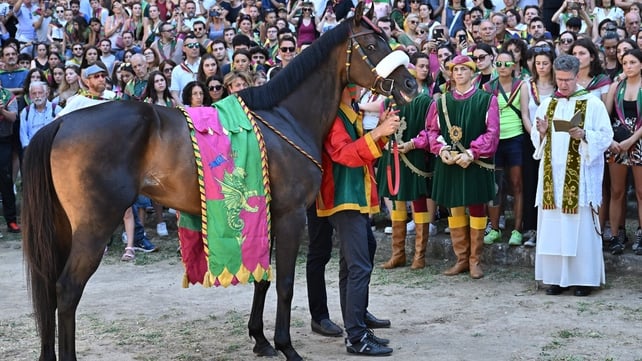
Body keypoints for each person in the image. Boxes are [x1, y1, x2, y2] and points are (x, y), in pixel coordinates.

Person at [316, 85, 400, 356]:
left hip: (354, 196)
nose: (360, 87)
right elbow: (343, 154)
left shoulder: (349, 112)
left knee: (356, 262)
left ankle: (358, 322)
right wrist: (377, 132)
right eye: (354, 84)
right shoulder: (333, 116)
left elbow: (363, 150)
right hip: (343, 197)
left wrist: (384, 133)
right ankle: (356, 336)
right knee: (358, 266)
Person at [532, 54, 613, 297]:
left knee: (580, 228)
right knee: (554, 228)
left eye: (567, 79)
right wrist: (542, 132)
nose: (563, 84)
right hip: (552, 178)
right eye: (559, 79)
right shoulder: (548, 103)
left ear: (577, 76)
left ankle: (583, 280)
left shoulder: (592, 103)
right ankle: (556, 279)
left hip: (579, 177)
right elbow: (538, 138)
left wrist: (585, 134)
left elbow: (606, 136)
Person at [422, 54, 500, 279]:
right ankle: (461, 259)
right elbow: (432, 131)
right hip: (450, 162)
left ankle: (475, 260)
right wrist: (442, 150)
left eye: (463, 69)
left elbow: (492, 133)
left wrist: (472, 152)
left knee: (476, 207)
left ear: (473, 73)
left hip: (475, 162)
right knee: (455, 207)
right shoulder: (441, 101)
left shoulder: (487, 100)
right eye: (455, 70)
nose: (459, 73)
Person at [604, 48, 642, 254]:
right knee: (616, 191)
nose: (628, 66)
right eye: (625, 62)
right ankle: (616, 235)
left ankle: (641, 235)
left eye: (633, 62)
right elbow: (606, 116)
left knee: (640, 192)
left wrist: (632, 140)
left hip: (639, 142)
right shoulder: (615, 86)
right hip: (617, 143)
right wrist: (610, 139)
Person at [19, 81, 60, 149]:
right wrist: (27, 149)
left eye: (40, 93)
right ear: (30, 95)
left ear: (46, 93)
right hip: (32, 149)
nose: (37, 96)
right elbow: (23, 134)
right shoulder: (26, 111)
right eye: (34, 93)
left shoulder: (56, 110)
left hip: (51, 149)